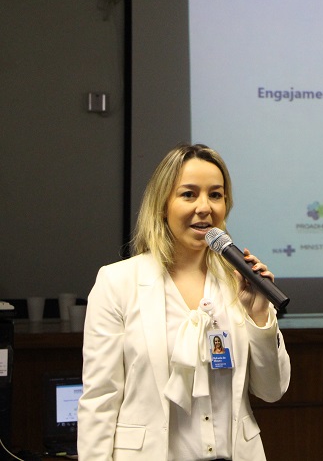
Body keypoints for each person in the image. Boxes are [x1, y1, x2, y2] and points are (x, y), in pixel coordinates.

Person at [78, 143, 290, 460]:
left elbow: (272, 390)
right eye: (189, 194)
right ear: (163, 204)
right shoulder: (118, 282)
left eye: (215, 195)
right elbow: (100, 398)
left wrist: (259, 314)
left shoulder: (241, 282)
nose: (204, 207)